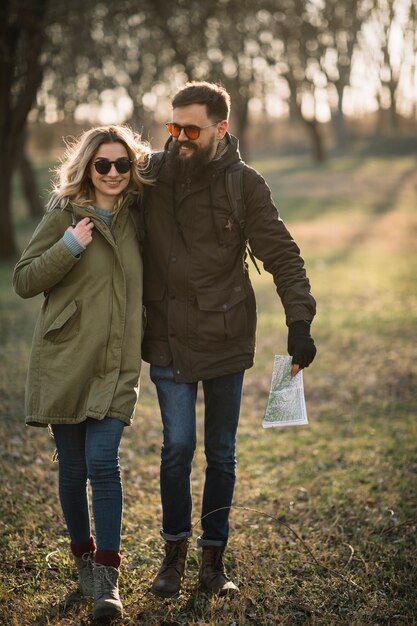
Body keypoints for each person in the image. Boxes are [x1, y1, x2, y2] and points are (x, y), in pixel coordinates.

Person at [140, 81, 317, 598]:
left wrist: (299, 322)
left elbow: (282, 254)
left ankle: (212, 564)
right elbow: (98, 197)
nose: (179, 139)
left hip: (225, 335)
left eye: (191, 129)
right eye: (173, 128)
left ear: (221, 129)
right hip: (168, 336)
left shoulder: (245, 184)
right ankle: (172, 554)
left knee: (221, 451)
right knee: (177, 446)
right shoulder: (150, 174)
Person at [13, 125, 150, 620]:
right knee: (72, 471)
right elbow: (24, 280)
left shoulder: (140, 216)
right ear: (88, 167)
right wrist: (69, 245)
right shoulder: (64, 213)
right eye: (103, 165)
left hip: (116, 363)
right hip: (66, 358)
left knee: (102, 464)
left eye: (122, 164)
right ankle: (83, 563)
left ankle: (108, 582)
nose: (113, 173)